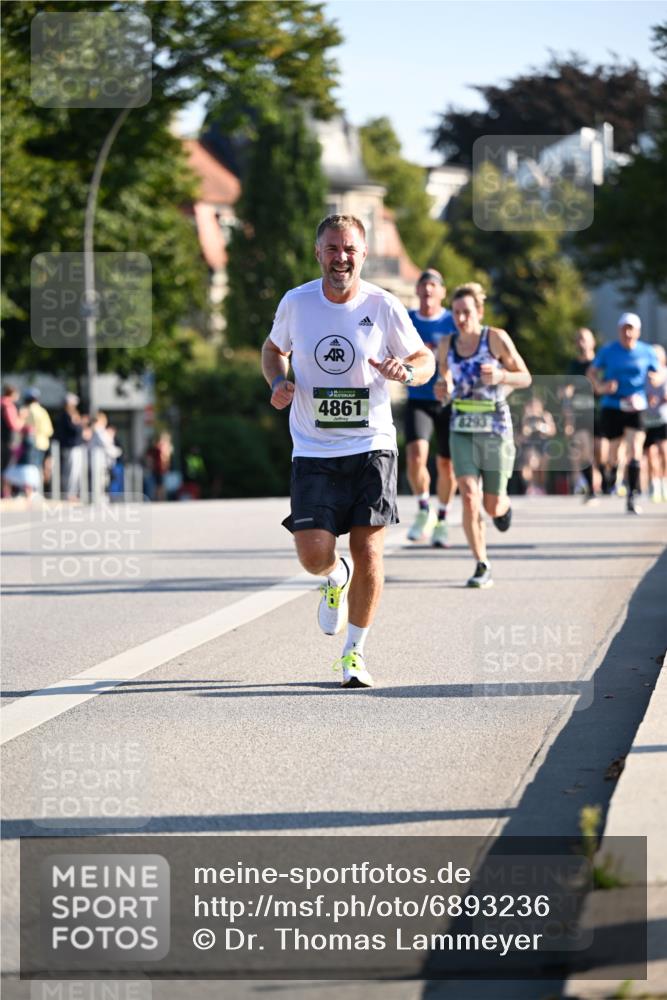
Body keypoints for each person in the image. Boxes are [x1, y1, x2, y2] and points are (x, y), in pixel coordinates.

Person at [261, 214, 434, 689]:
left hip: (372, 443)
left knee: (370, 550)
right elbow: (273, 350)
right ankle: (334, 575)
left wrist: (407, 372)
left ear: (364, 254)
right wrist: (277, 382)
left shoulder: (383, 305)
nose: (342, 258)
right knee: (313, 554)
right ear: (318, 253)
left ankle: (354, 653)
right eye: (333, 249)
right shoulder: (297, 302)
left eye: (350, 249)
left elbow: (425, 359)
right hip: (313, 447)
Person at [436, 282, 531, 588]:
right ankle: (481, 563)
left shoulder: (496, 338)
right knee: (468, 495)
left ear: (479, 311)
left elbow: (525, 377)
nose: (461, 318)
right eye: (456, 313)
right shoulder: (446, 344)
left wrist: (502, 375)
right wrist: (443, 388)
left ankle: (503, 507)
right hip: (461, 428)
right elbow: (444, 377)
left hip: (495, 428)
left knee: (491, 506)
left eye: (466, 312)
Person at [404, 269, 458, 547]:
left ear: (442, 292)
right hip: (418, 399)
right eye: (423, 285)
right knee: (415, 457)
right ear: (417, 290)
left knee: (446, 464)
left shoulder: (453, 320)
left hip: (449, 402)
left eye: (433, 285)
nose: (428, 290)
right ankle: (424, 509)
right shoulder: (407, 320)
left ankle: (443, 519)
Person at [588, 313, 659, 515]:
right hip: (612, 405)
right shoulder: (608, 351)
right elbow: (591, 373)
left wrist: (655, 380)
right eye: (624, 329)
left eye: (631, 329)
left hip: (637, 405)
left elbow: (659, 372)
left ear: (638, 331)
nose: (627, 333)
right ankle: (611, 471)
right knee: (613, 453)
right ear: (619, 330)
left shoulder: (647, 351)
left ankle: (632, 496)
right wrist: (601, 387)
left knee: (635, 449)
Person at [562, 327, 600, 502]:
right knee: (584, 448)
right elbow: (566, 391)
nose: (582, 343)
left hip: (600, 413)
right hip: (580, 414)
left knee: (603, 454)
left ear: (593, 342)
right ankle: (590, 488)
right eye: (579, 339)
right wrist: (567, 416)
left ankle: (608, 479)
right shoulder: (573, 366)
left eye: (585, 339)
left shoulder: (600, 363)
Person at [519, 395, 556, 495]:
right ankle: (531, 486)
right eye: (531, 406)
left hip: (543, 445)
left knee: (543, 467)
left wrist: (541, 427)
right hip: (530, 445)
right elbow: (522, 436)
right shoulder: (526, 417)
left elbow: (552, 431)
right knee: (531, 461)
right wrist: (528, 427)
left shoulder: (546, 416)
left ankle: (541, 486)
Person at [643, 344, 667, 503]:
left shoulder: (665, 373)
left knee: (664, 452)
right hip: (648, 420)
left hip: (663, 418)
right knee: (650, 454)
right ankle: (655, 484)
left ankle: (664, 482)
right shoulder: (644, 375)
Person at [54, 393, 84, 500]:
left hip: (73, 446)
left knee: (74, 472)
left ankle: (72, 493)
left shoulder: (68, 415)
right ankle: (70, 494)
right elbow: (75, 430)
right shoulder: (66, 416)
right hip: (71, 447)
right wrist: (79, 423)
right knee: (71, 472)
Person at [23, 387, 54, 489]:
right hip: (43, 443)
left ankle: (31, 490)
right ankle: (36, 490)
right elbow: (50, 430)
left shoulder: (27, 410)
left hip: (32, 442)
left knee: (31, 468)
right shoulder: (42, 411)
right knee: (38, 467)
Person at [1, 384, 23, 497]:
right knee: (7, 468)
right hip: (7, 441)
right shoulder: (8, 406)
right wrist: (22, 418)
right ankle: (5, 493)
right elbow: (14, 425)